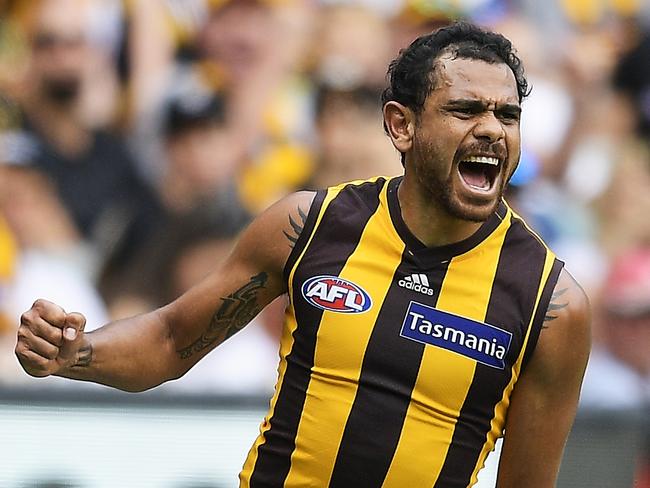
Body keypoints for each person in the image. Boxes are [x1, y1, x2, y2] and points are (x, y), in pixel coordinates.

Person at [14, 22, 590, 487]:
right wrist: (77, 354)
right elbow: (169, 340)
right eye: (466, 110)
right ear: (402, 125)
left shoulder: (552, 304)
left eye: (508, 114)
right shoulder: (308, 225)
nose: (492, 129)